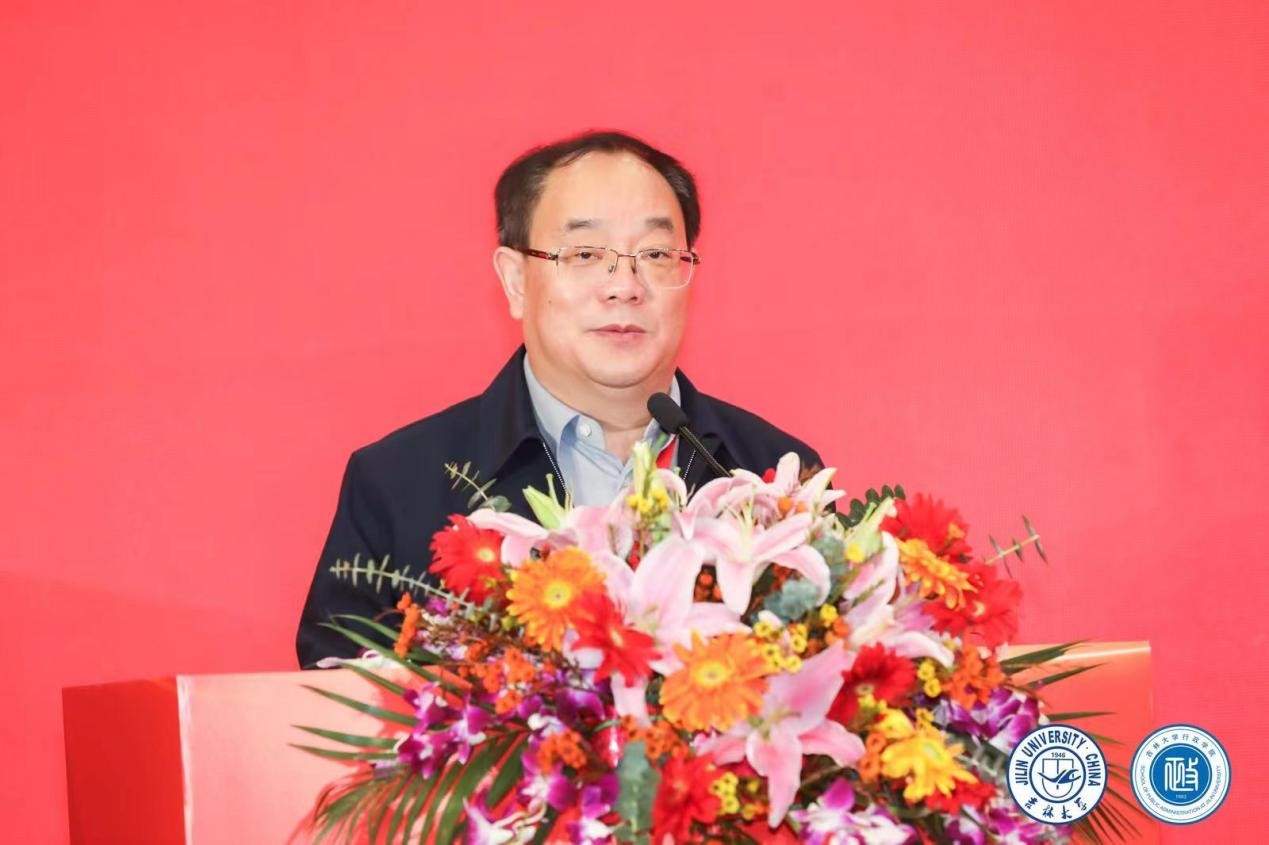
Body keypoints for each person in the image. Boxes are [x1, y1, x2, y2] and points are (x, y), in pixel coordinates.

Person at [296, 131, 823, 667]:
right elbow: (337, 696)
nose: (625, 286)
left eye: (657, 254)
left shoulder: (771, 477)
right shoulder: (397, 485)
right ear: (516, 281)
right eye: (585, 254)